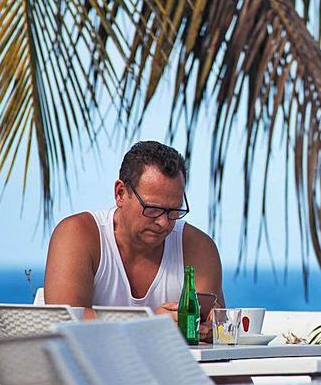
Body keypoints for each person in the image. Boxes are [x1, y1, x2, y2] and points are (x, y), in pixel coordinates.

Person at [43, 141, 224, 334]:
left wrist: (209, 327)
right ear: (120, 193)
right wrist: (151, 323)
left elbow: (213, 327)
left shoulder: (198, 247)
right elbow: (63, 323)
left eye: (173, 211)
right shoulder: (78, 235)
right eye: (152, 209)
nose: (163, 222)